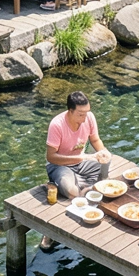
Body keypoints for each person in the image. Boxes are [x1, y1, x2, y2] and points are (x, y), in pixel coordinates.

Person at [43, 91, 111, 245]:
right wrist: (83, 157)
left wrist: (102, 152)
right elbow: (51, 157)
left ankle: (88, 187)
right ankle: (78, 187)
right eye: (81, 114)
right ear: (70, 111)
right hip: (59, 165)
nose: (85, 118)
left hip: (82, 163)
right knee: (71, 191)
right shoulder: (57, 124)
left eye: (87, 113)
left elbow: (95, 139)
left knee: (107, 160)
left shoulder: (89, 118)